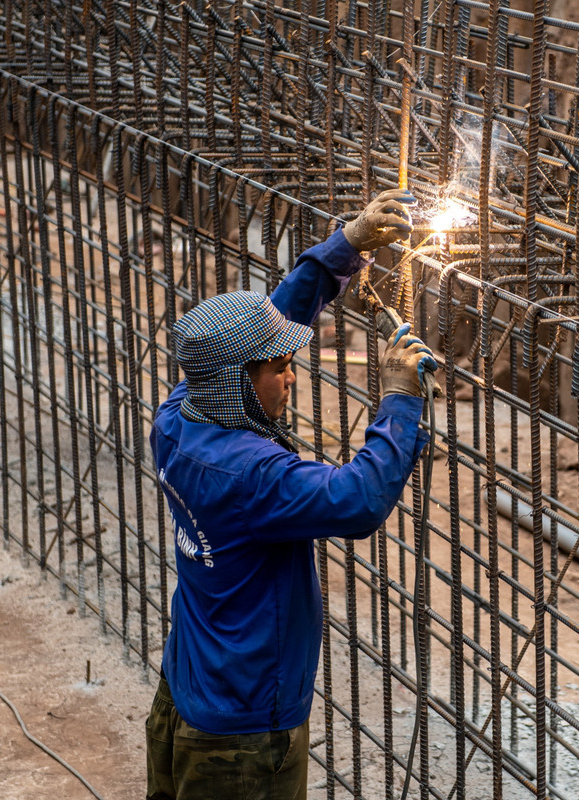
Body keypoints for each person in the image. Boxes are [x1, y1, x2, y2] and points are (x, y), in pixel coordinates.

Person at [146, 189, 435, 800]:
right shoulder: (252, 476)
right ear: (237, 383)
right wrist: (399, 401)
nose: (292, 376)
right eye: (278, 368)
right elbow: (357, 499)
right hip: (242, 739)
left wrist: (343, 249)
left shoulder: (178, 418)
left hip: (188, 691)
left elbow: (250, 335)